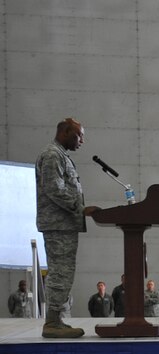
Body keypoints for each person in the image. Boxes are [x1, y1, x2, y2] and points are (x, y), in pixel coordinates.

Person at [35, 118, 98, 338]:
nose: (82, 140)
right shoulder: (53, 155)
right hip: (58, 225)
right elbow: (54, 189)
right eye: (79, 135)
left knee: (64, 273)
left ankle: (56, 320)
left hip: (63, 225)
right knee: (60, 274)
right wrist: (79, 208)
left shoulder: (61, 155)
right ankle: (52, 322)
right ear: (65, 132)